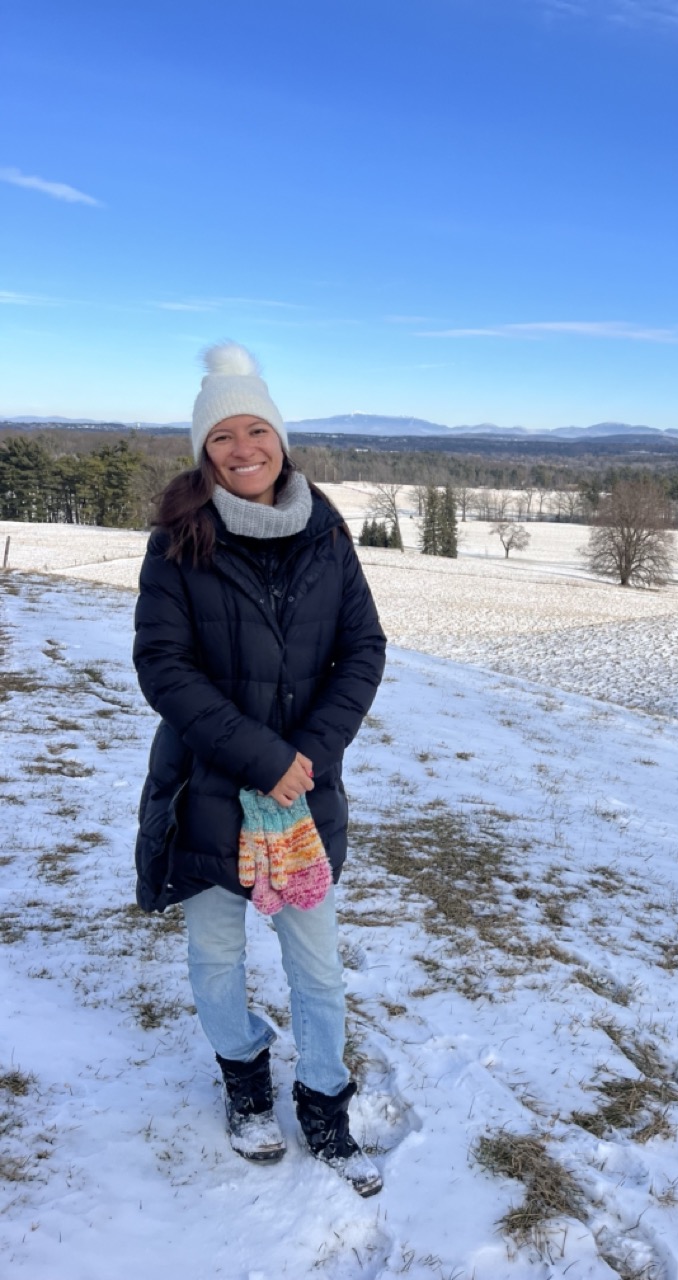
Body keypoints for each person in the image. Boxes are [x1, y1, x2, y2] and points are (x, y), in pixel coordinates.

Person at [133, 342, 386, 1195]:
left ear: (280, 436)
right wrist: (264, 758)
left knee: (316, 966)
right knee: (215, 960)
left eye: (256, 430)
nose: (242, 450)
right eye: (222, 438)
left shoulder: (326, 529)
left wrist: (308, 757)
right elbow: (164, 668)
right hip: (209, 792)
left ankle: (323, 1101)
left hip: (305, 799)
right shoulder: (178, 540)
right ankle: (245, 1083)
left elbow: (363, 648)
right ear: (202, 452)